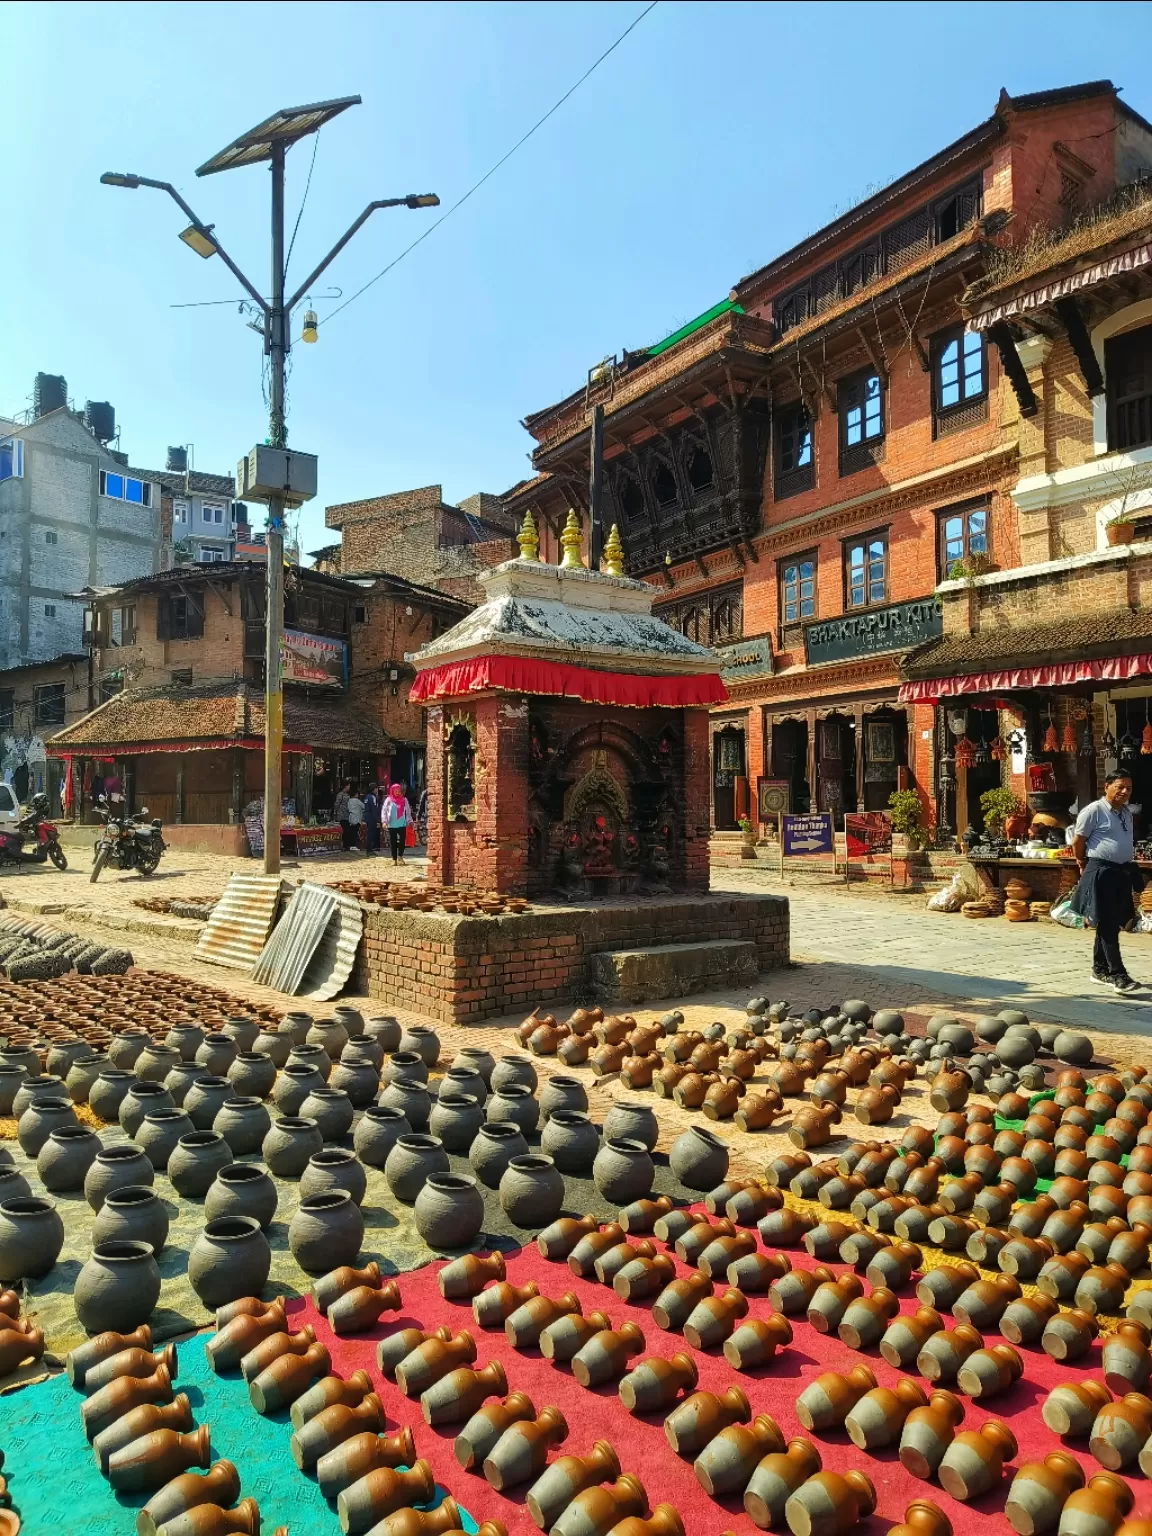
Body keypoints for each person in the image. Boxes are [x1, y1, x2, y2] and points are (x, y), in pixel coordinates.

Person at [1070, 771, 1146, 994]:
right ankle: (1118, 975)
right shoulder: (1094, 810)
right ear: (1107, 786)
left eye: (1129, 789)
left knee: (1111, 921)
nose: (1125, 792)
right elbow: (1078, 840)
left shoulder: (1126, 813)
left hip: (1120, 871)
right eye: (1120, 787)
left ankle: (1099, 969)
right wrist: (1082, 862)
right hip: (1100, 870)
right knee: (1107, 923)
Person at [383, 782, 412, 866]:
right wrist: (384, 821)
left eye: (399, 791)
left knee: (402, 841)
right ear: (392, 791)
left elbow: (408, 811)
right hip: (392, 824)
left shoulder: (404, 800)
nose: (397, 792)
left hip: (402, 823)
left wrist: (410, 821)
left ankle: (400, 857)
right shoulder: (388, 800)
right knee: (393, 842)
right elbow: (384, 811)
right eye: (395, 791)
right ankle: (394, 859)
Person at [333, 780, 352, 849]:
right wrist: (335, 813)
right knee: (345, 830)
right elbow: (336, 804)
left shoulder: (347, 795)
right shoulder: (340, 795)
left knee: (347, 830)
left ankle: (346, 845)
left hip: (347, 815)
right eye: (348, 785)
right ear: (345, 786)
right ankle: (344, 845)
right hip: (341, 815)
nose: (349, 787)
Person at [363, 783, 380, 855]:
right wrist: (377, 819)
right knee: (371, 833)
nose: (377, 790)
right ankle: (369, 850)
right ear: (374, 789)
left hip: (367, 816)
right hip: (371, 816)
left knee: (369, 832)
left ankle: (369, 849)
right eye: (376, 788)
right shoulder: (372, 797)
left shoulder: (367, 797)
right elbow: (374, 809)